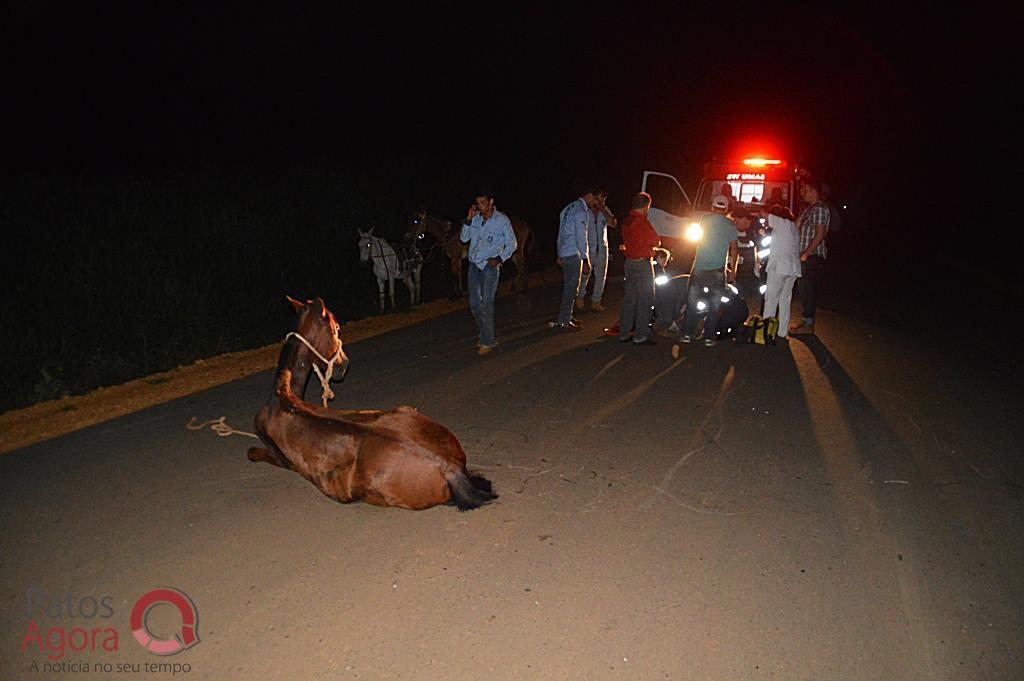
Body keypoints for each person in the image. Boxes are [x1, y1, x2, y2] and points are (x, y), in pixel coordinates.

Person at [461, 190, 517, 355]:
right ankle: (487, 335)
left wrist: (499, 259)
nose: (480, 206)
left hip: (489, 266)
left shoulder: (502, 220)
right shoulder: (476, 219)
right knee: (474, 304)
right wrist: (468, 220)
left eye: (483, 203)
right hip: (473, 265)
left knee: (486, 303)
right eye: (478, 203)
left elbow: (512, 243)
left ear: (491, 202)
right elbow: (464, 239)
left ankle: (487, 341)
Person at [678, 194, 739, 347]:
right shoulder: (730, 225)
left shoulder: (704, 220)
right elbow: (734, 249)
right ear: (726, 209)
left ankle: (687, 334)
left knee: (692, 303)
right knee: (714, 305)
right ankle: (709, 337)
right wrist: (733, 271)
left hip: (699, 267)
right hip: (718, 271)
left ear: (712, 206)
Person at [617, 192, 661, 345]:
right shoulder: (642, 222)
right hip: (643, 264)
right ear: (646, 206)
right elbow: (656, 241)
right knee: (645, 300)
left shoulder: (627, 220)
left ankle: (624, 332)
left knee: (630, 300)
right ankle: (640, 335)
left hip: (629, 263)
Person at [552, 187, 597, 331]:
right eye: (595, 199)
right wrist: (585, 258)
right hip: (573, 253)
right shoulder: (580, 211)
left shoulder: (566, 209)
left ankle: (567, 316)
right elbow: (581, 237)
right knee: (571, 288)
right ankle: (564, 320)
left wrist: (559, 253)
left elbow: (561, 233)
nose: (595, 202)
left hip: (565, 251)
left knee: (570, 287)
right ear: (589, 196)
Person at [791, 178, 830, 335]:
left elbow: (820, 234)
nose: (802, 193)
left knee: (807, 288)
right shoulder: (808, 209)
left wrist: (806, 254)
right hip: (804, 255)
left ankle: (808, 324)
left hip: (812, 256)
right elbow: (796, 226)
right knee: (803, 288)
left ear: (813, 190)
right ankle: (806, 321)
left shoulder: (820, 209)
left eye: (804, 190)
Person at [760, 204, 801, 339]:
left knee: (771, 300)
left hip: (779, 268)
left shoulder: (781, 223)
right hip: (793, 269)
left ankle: (766, 332)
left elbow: (763, 212)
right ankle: (782, 332)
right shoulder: (793, 227)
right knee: (785, 301)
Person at [577, 189, 617, 311]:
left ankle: (596, 301)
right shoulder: (585, 211)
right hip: (588, 249)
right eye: (599, 198)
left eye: (603, 198)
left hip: (602, 249)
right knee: (585, 274)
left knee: (601, 276)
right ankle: (579, 296)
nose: (601, 201)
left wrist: (603, 209)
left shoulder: (604, 212)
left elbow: (613, 223)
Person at [653, 247, 687, 333]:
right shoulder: (657, 268)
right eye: (665, 260)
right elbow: (662, 285)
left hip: (659, 295)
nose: (666, 263)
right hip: (660, 296)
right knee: (666, 316)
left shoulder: (655, 267)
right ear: (659, 257)